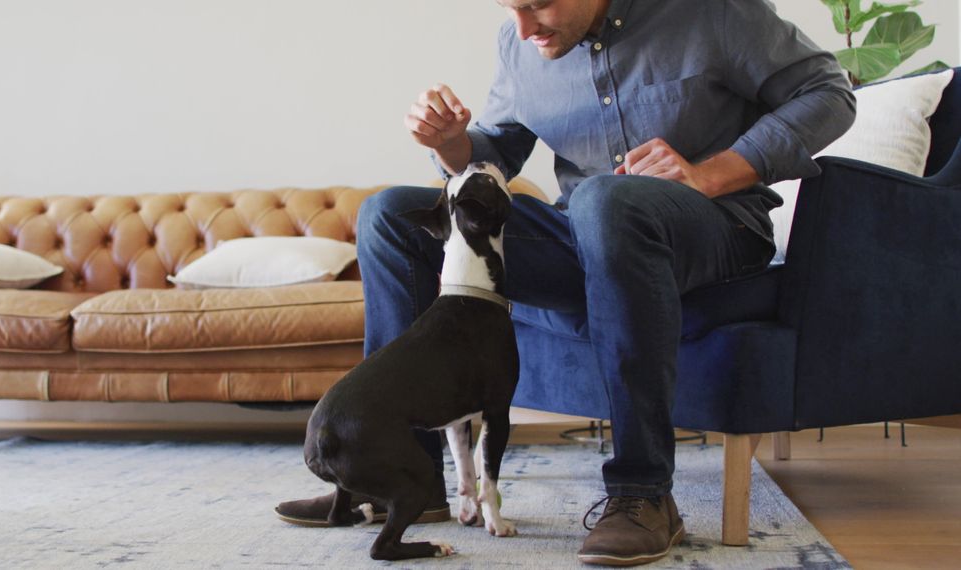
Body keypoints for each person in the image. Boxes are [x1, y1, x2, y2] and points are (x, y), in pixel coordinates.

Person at [277, 0, 855, 565]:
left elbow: (829, 93)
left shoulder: (713, 12)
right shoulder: (521, 41)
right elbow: (496, 152)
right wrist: (449, 142)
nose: (523, 27)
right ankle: (407, 477)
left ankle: (642, 493)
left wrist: (711, 173)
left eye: (539, 5)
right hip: (580, 232)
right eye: (509, 10)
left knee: (606, 200)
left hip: (715, 228)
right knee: (390, 217)